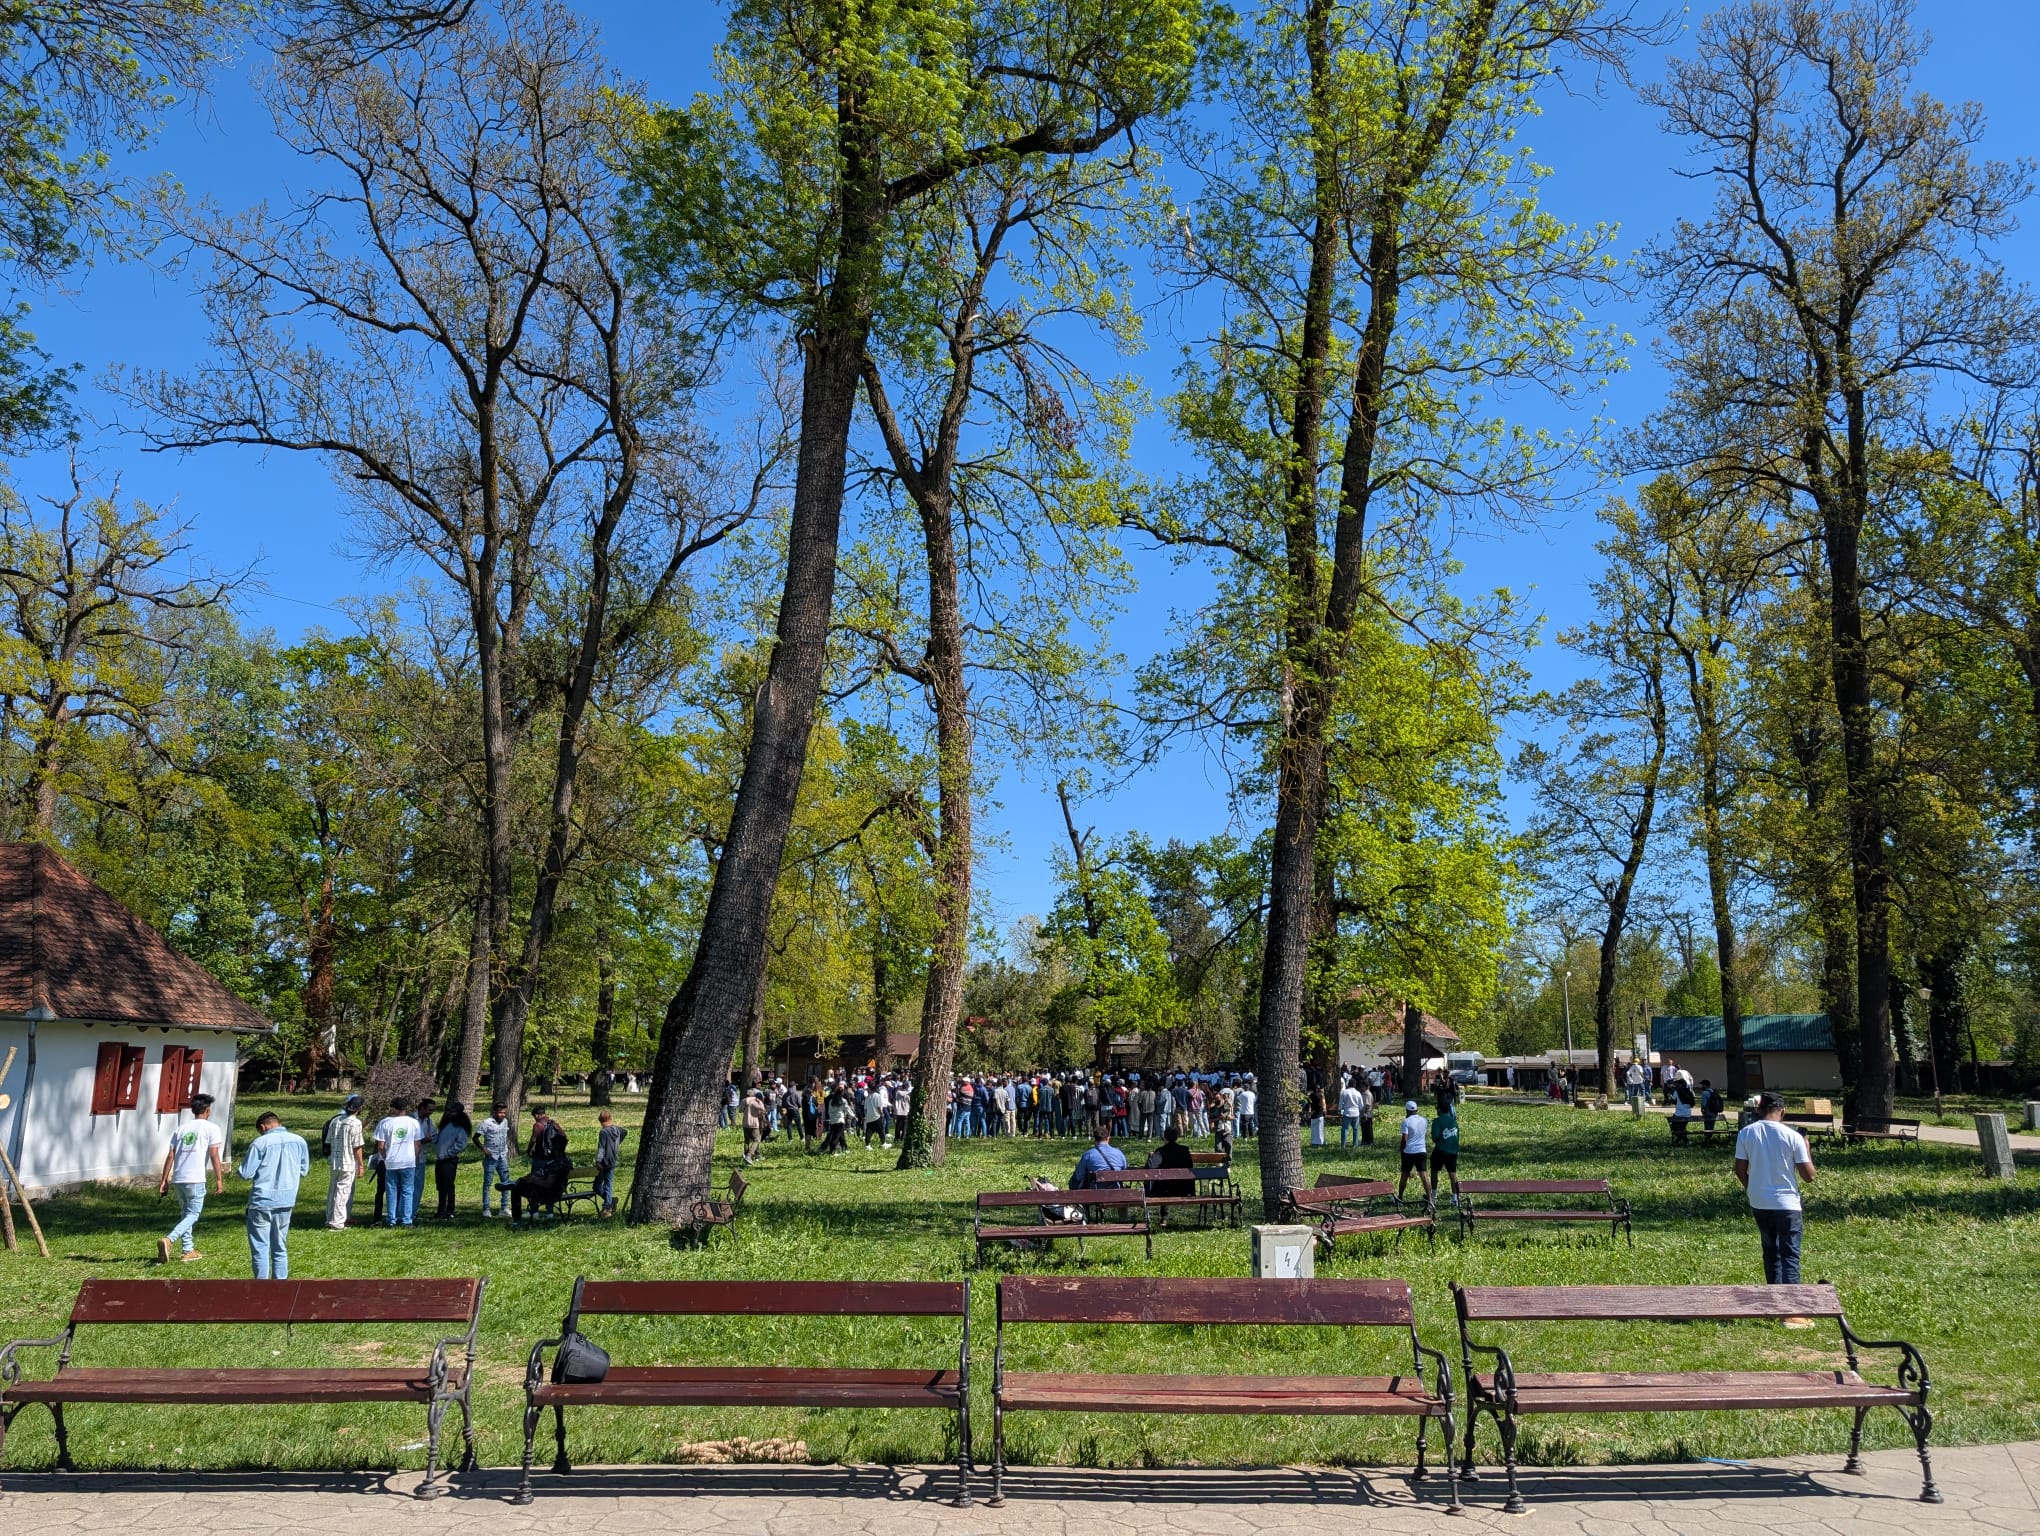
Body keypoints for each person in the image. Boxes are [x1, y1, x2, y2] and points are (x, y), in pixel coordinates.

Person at [1735, 1092, 1816, 1285]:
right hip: (1787, 1203)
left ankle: (1773, 1300)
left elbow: (1740, 1169)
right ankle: (1791, 1308)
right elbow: (1809, 1176)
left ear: (1759, 1110)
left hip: (1760, 1202)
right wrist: (1807, 1149)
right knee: (1790, 1255)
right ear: (1783, 1112)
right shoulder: (1793, 1136)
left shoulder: (1746, 1132)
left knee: (1771, 1252)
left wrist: (1752, 1188)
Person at [239, 1110, 310, 1279]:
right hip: (286, 1200)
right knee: (280, 1246)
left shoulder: (260, 1143)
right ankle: (280, 1285)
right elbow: (304, 1170)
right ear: (279, 1122)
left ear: (263, 1127)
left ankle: (262, 1286)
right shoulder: (299, 1141)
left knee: (260, 1248)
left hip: (261, 1201)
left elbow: (246, 1173)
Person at [158, 1094, 226, 1263]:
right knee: (194, 1214)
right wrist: (219, 1179)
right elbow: (214, 1155)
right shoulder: (212, 1128)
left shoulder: (181, 1129)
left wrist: (164, 1180)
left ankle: (188, 1250)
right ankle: (169, 1239)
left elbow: (171, 1155)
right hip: (195, 1179)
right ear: (208, 1110)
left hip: (179, 1178)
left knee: (185, 1214)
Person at [510, 1107, 571, 1223]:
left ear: (537, 1115)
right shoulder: (554, 1124)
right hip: (553, 1161)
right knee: (550, 1183)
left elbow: (533, 1139)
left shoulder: (538, 1125)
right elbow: (565, 1138)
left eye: (534, 1116)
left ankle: (534, 1211)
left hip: (540, 1159)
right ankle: (549, 1212)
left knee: (535, 1183)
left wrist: (528, 1150)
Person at [374, 1096, 424, 1228]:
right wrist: (416, 1157)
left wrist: (386, 1158)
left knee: (392, 1190)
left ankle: (392, 1219)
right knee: (408, 1191)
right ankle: (406, 1219)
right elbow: (417, 1143)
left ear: (394, 1109)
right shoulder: (413, 1123)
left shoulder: (386, 1123)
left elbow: (380, 1145)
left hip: (391, 1162)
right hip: (408, 1162)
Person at [322, 1093, 365, 1230]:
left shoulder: (335, 1120)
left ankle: (329, 1218)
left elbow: (328, 1141)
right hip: (348, 1162)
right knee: (343, 1192)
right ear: (359, 1108)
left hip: (335, 1160)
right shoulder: (356, 1122)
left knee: (333, 1191)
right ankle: (338, 1222)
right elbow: (357, 1146)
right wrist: (361, 1165)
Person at [433, 1101, 472, 1219]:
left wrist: (448, 1153)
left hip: (449, 1160)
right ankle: (441, 1209)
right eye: (448, 1111)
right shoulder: (445, 1125)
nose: (450, 1114)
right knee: (440, 1186)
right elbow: (438, 1140)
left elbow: (461, 1144)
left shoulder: (460, 1127)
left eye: (452, 1112)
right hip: (440, 1160)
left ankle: (450, 1210)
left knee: (448, 1186)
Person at [478, 1103, 514, 1216]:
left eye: (504, 1112)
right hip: (491, 1157)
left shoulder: (505, 1122)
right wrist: (484, 1149)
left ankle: (504, 1208)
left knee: (506, 1183)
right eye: (500, 1112)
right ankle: (486, 1208)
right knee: (487, 1183)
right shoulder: (486, 1123)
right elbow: (475, 1138)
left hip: (502, 1156)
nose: (502, 1115)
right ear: (494, 1112)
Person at [1070, 1124, 1128, 1190]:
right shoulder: (1119, 1153)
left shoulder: (1088, 1155)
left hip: (1095, 1195)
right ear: (1108, 1138)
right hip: (1118, 1193)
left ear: (1094, 1140)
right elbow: (1124, 1170)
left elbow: (1078, 1176)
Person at [1396, 1099, 1432, 1205]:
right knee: (1424, 1175)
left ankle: (1400, 1197)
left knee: (1404, 1175)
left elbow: (1405, 1139)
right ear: (1417, 1110)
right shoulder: (1424, 1120)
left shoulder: (1406, 1122)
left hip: (1409, 1151)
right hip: (1421, 1150)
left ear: (1407, 1111)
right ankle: (1430, 1198)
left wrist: (1401, 1149)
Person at [592, 1109, 626, 1217]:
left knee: (600, 1185)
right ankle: (610, 1201)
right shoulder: (617, 1129)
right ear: (610, 1118)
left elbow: (601, 1148)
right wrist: (617, 1143)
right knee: (606, 1184)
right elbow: (625, 1132)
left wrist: (598, 1161)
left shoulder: (603, 1132)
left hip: (604, 1162)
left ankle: (607, 1207)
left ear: (601, 1121)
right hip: (613, 1160)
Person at [1430, 1096, 1462, 1204]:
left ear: (1439, 1110)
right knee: (1452, 1173)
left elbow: (1434, 1137)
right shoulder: (1454, 1122)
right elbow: (1457, 1136)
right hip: (1453, 1151)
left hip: (1440, 1150)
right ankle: (1455, 1197)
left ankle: (1433, 1196)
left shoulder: (1437, 1121)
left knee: (1434, 1171)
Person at [743, 1083, 768, 1163]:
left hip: (745, 1123)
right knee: (756, 1140)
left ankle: (746, 1155)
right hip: (754, 1123)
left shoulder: (744, 1101)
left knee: (746, 1140)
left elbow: (740, 1110)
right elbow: (762, 1109)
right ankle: (749, 1155)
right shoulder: (755, 1102)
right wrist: (760, 1102)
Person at [1338, 1079, 1363, 1147]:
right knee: (1355, 1129)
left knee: (1345, 1129)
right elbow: (1361, 1105)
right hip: (1356, 1113)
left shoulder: (1344, 1092)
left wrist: (1339, 1110)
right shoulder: (1358, 1093)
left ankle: (1343, 1145)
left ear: (1348, 1084)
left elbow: (1341, 1103)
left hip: (1347, 1113)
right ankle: (1355, 1144)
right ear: (1355, 1085)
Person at [1308, 1082, 1327, 1147]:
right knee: (1320, 1129)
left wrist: (1310, 1112)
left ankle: (1314, 1142)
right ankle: (1321, 1142)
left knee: (1314, 1130)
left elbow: (1309, 1105)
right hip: (1319, 1114)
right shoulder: (1320, 1096)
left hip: (1313, 1115)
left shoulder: (1310, 1096)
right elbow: (1320, 1106)